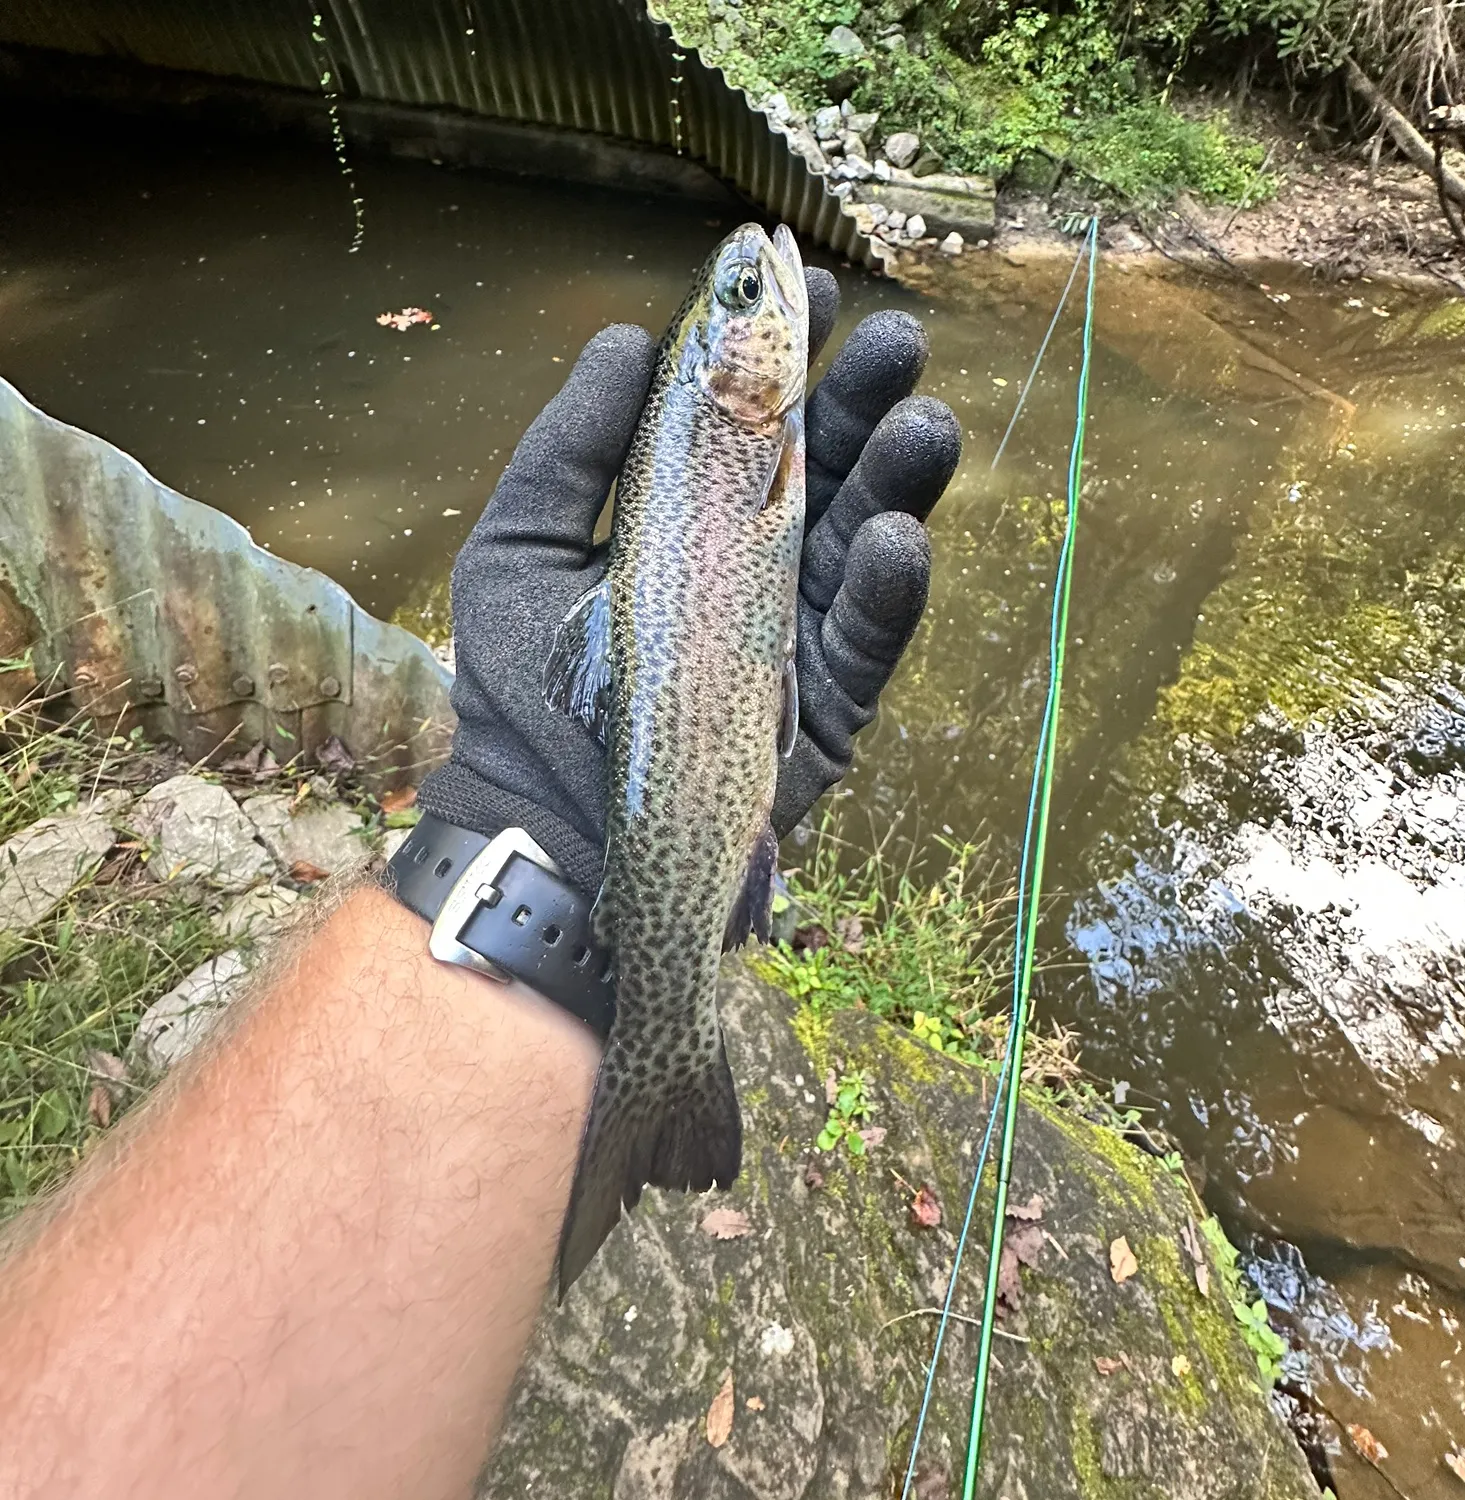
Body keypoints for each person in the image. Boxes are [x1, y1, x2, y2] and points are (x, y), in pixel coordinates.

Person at [0, 269, 959, 1500]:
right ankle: (652, 1045)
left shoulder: (739, 431)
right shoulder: (733, 433)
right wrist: (545, 814)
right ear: (730, 377)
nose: (757, 290)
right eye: (741, 295)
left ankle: (643, 1022)